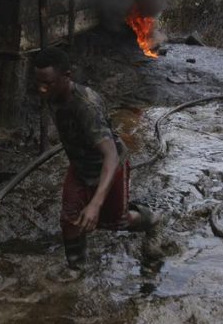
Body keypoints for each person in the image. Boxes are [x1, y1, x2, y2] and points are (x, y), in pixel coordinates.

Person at [33, 47, 163, 271]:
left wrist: (95, 204)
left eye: (49, 83)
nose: (42, 89)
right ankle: (76, 269)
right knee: (69, 218)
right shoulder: (51, 93)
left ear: (67, 76)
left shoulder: (86, 107)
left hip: (109, 166)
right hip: (80, 166)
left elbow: (110, 155)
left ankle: (152, 220)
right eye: (39, 83)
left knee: (116, 222)